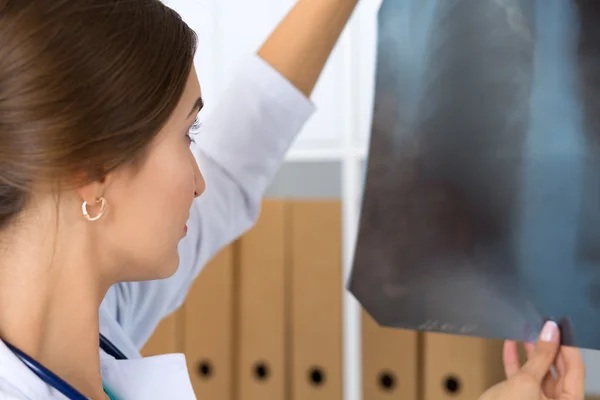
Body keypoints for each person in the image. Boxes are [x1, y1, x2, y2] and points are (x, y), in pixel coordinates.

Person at [0, 0, 587, 399]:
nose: (200, 181)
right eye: (187, 135)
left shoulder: (93, 312)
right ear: (93, 170)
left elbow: (235, 162)